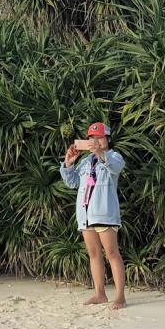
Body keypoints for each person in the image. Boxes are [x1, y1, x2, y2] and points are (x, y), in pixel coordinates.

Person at [60, 122, 127, 309]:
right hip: (85, 214)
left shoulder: (114, 156)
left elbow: (115, 167)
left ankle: (120, 296)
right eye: (92, 138)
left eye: (99, 137)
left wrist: (100, 153)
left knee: (112, 253)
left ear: (107, 139)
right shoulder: (85, 162)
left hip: (105, 213)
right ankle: (100, 293)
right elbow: (73, 183)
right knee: (94, 254)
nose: (95, 141)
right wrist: (68, 164)